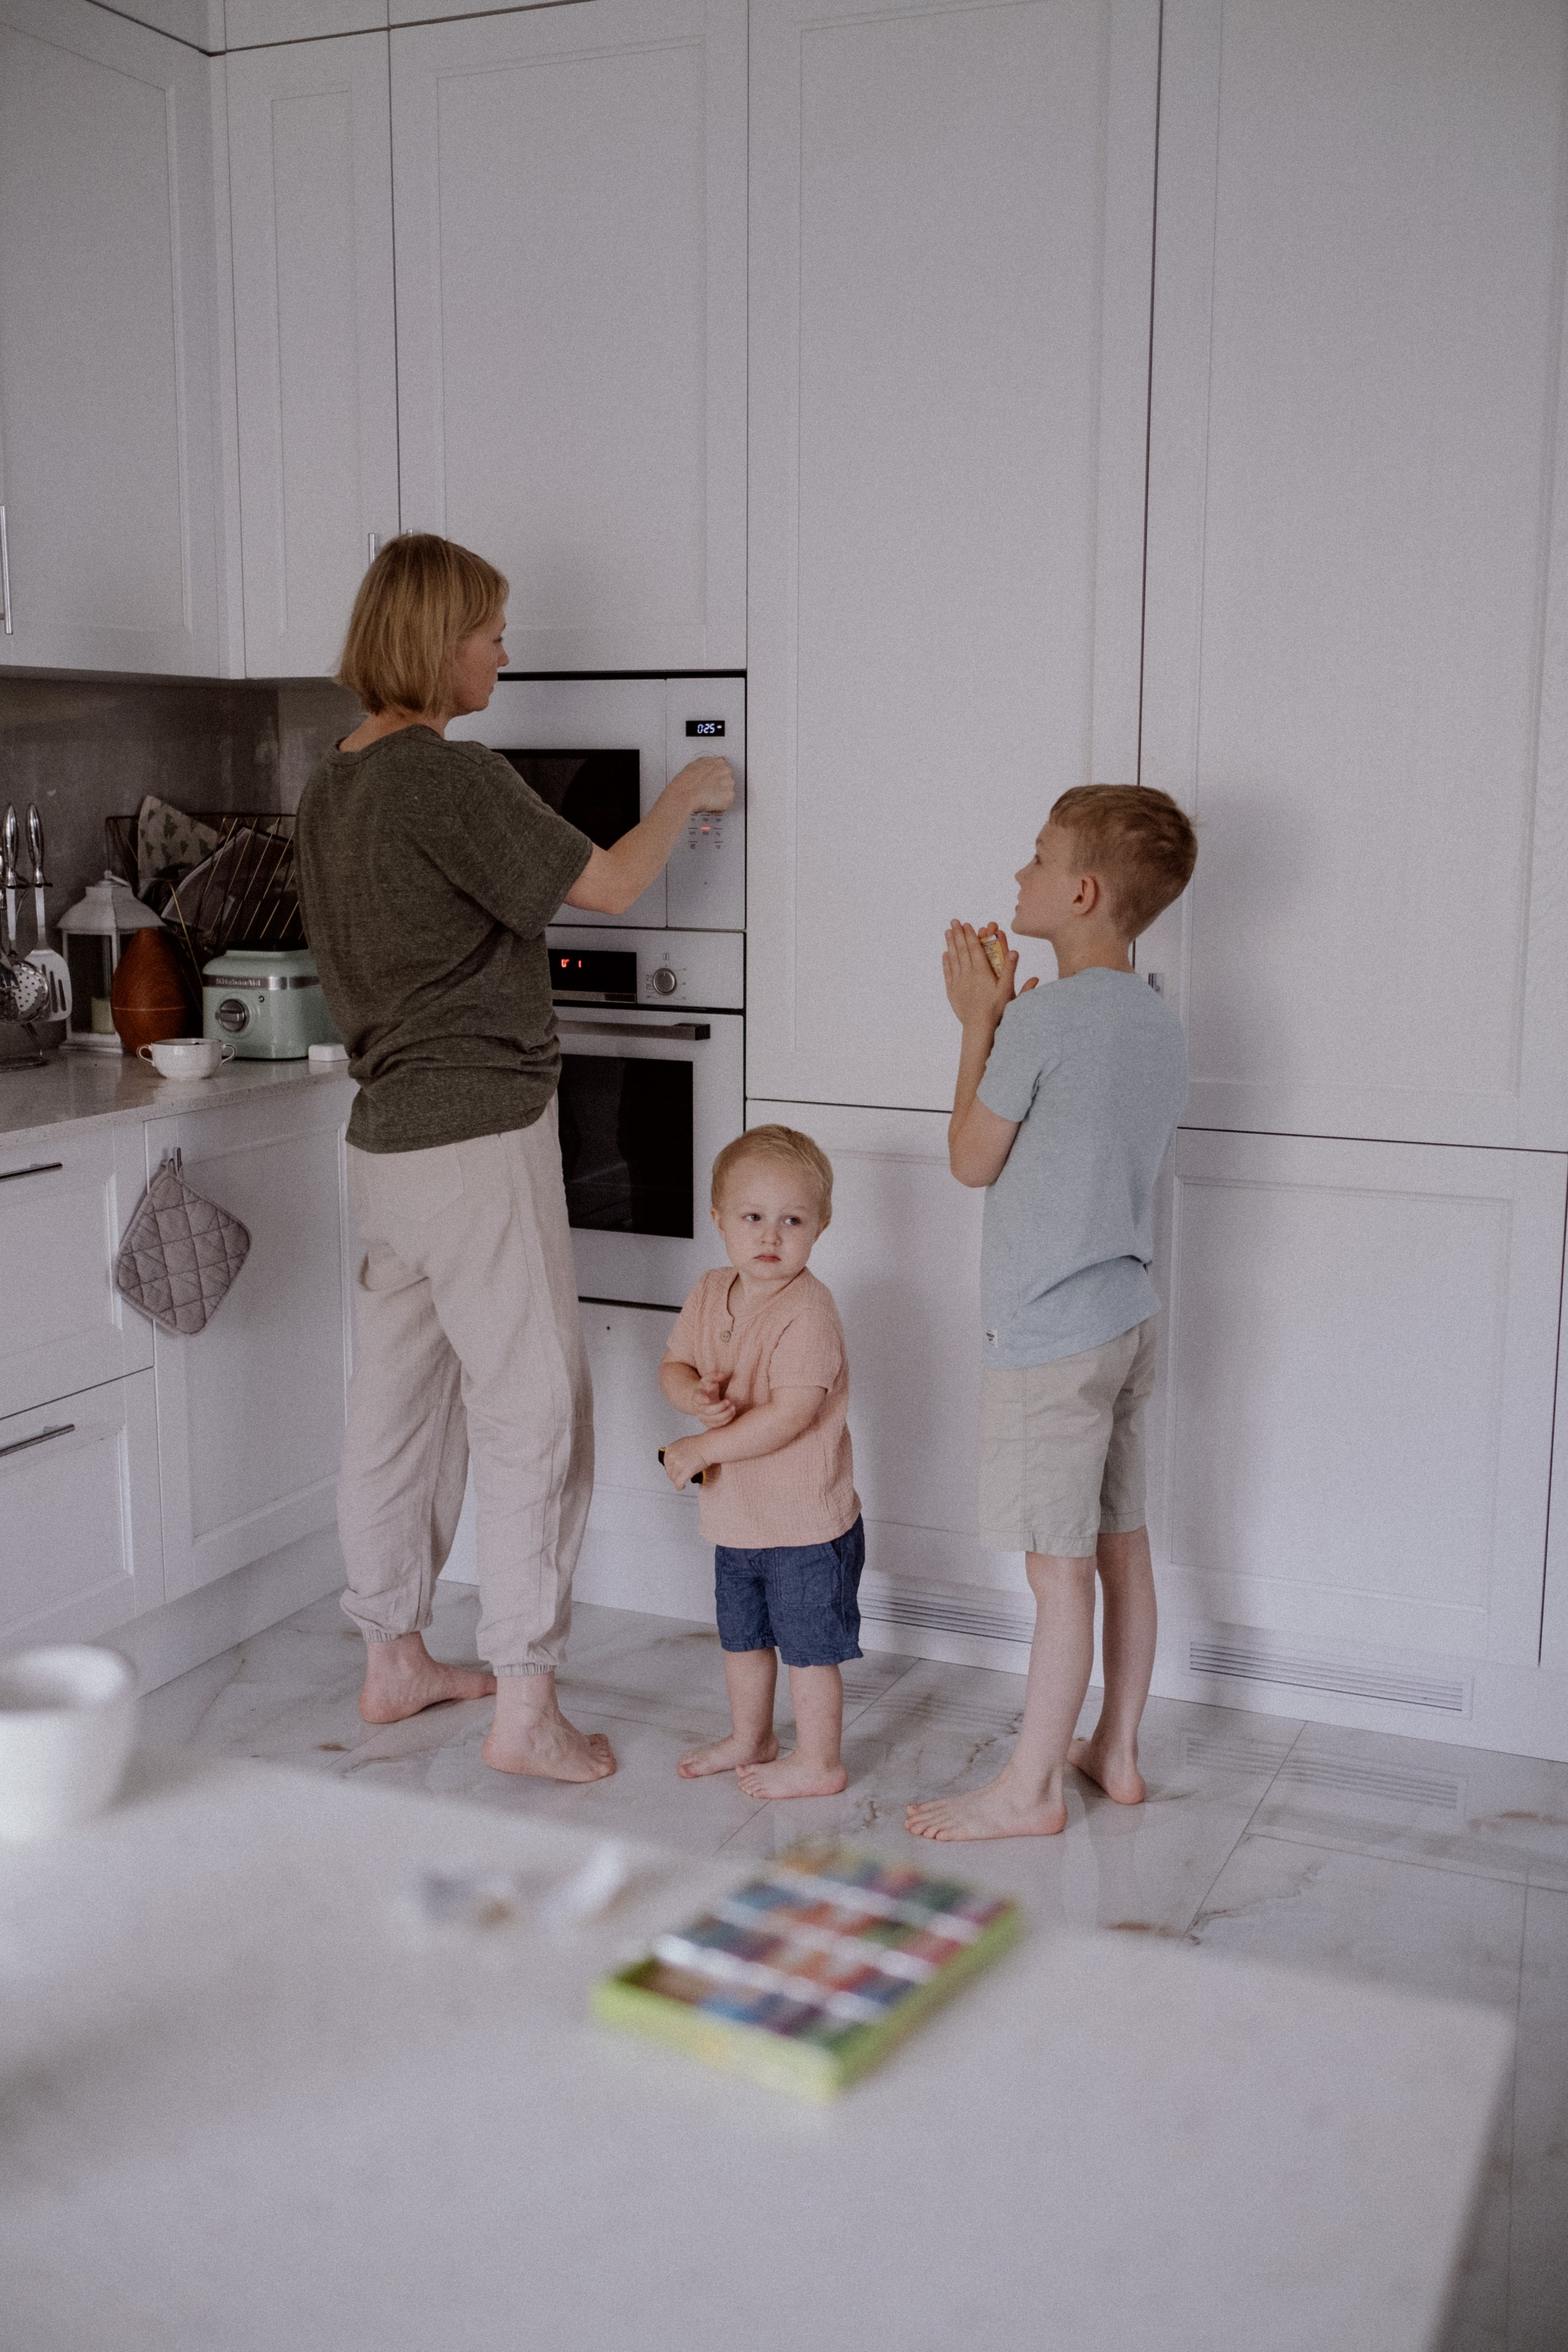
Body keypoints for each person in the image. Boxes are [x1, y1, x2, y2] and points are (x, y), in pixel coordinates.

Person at [295, 533, 733, 1782]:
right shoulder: (447, 775)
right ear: (438, 644)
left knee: (395, 1414)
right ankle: (526, 1705)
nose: (503, 649)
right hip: (478, 1136)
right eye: (489, 630)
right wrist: (685, 798)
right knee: (535, 1410)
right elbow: (602, 886)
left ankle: (393, 1657)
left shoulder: (329, 783)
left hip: (383, 1143)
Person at [906, 785, 1197, 1842]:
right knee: (1122, 1546)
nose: (1017, 877)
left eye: (1035, 861)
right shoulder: (1159, 1021)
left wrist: (978, 1022)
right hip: (1126, 1319)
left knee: (1057, 1570)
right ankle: (1114, 1751)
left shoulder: (1035, 1020)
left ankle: (1027, 1791)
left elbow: (971, 1160)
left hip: (1048, 1337)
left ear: (1080, 892)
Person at [658, 1126, 864, 1800]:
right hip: (737, 1516)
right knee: (742, 1639)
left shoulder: (809, 1312)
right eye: (752, 1218)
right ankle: (752, 1737)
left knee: (809, 1648)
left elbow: (788, 1417)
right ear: (718, 1221)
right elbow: (675, 1363)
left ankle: (819, 1760)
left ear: (820, 1227)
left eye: (792, 1220)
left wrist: (699, 1447)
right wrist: (691, 1393)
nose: (770, 1237)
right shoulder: (710, 1290)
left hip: (804, 1523)